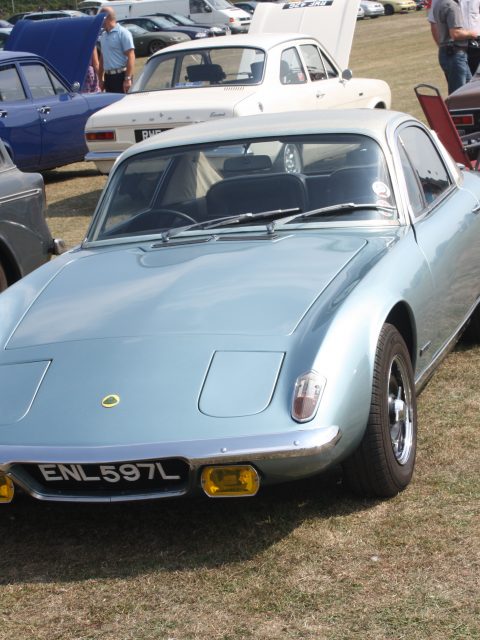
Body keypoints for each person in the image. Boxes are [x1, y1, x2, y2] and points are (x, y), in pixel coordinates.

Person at [429, 0, 479, 92]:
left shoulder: (439, 4)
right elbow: (455, 34)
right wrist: (472, 34)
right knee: (459, 93)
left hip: (448, 51)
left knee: (468, 89)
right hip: (455, 53)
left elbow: (434, 25)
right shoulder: (452, 6)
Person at [98, 7, 135, 94]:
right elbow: (103, 58)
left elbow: (131, 56)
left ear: (105, 18)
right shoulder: (103, 36)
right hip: (108, 77)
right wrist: (100, 79)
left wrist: (127, 78)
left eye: (100, 18)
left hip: (121, 76)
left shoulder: (123, 33)